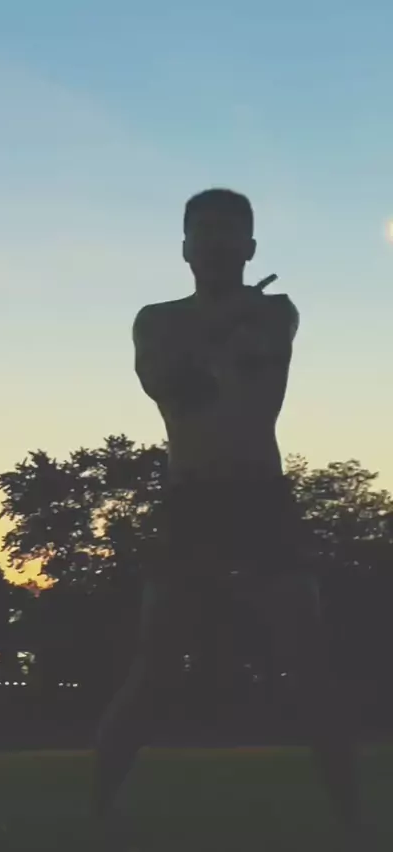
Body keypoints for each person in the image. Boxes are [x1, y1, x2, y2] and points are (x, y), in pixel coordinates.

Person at [92, 188, 368, 851]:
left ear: (249, 247)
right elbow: (174, 388)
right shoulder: (156, 319)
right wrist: (218, 333)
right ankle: (98, 815)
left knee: (309, 664)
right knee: (154, 668)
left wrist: (226, 334)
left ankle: (357, 824)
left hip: (261, 500)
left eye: (228, 232)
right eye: (203, 232)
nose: (215, 244)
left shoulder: (275, 311)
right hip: (191, 504)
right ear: (185, 247)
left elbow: (250, 371)